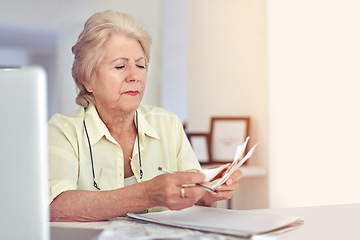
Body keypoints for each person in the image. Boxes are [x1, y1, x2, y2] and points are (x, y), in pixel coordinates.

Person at [48, 10, 242, 222]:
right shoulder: (63, 130)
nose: (135, 76)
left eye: (141, 65)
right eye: (120, 66)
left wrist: (207, 189)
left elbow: (192, 197)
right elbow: (56, 207)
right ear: (87, 79)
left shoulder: (167, 124)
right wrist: (147, 194)